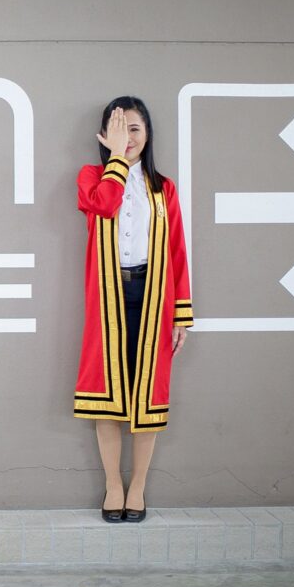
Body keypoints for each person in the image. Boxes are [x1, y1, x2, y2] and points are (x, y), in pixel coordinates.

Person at [73, 96, 194, 523]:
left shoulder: (163, 188)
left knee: (148, 392)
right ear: (105, 135)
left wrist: (181, 315)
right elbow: (105, 204)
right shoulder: (92, 177)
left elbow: (177, 251)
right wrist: (117, 161)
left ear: (148, 135)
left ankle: (138, 486)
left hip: (155, 292)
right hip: (108, 295)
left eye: (134, 129)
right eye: (119, 129)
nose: (127, 137)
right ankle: (113, 485)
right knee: (106, 390)